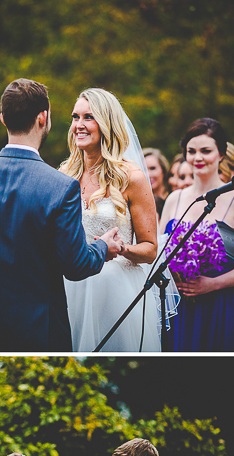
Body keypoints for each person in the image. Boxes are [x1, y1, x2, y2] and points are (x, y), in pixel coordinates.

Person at [0, 78, 122, 352]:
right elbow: (76, 265)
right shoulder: (61, 187)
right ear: (43, 118)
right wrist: (103, 246)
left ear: (3, 118)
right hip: (41, 333)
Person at [59, 88, 163, 352]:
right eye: (75, 117)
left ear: (106, 124)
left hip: (115, 291)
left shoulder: (131, 177)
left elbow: (151, 249)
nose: (78, 126)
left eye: (88, 118)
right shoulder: (63, 175)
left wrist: (122, 249)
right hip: (69, 287)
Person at [160, 118, 234, 351]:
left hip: (225, 304)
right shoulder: (174, 199)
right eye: (191, 151)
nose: (198, 158)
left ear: (221, 154)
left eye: (206, 151)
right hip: (182, 305)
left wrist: (213, 284)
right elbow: (159, 251)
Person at [144, 147, 170, 216]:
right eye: (144, 170)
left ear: (163, 170)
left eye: (152, 168)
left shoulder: (172, 197)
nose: (148, 174)